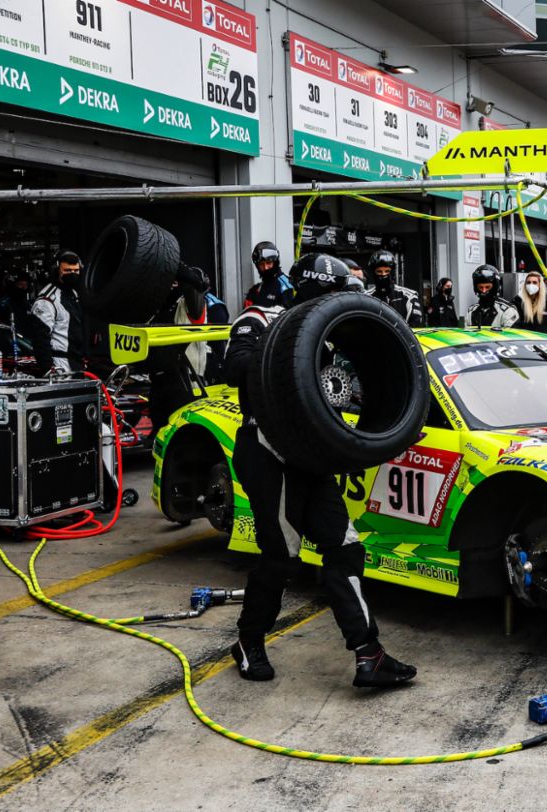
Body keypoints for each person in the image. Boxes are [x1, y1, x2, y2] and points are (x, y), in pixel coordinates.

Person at [223, 253, 415, 688]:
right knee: (280, 557)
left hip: (311, 457)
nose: (336, 301)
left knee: (345, 549)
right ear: (311, 288)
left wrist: (392, 423)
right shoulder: (257, 319)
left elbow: (345, 391)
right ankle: (248, 641)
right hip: (266, 451)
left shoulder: (330, 334)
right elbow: (232, 367)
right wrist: (282, 347)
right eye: (330, 293)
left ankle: (370, 654)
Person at [145, 264, 210, 439]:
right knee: (161, 439)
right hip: (159, 383)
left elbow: (194, 284)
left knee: (185, 438)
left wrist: (169, 261)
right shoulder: (157, 307)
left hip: (186, 384)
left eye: (174, 280)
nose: (171, 283)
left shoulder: (192, 305)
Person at [26, 251, 86, 374]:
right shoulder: (47, 300)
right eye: (67, 270)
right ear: (56, 271)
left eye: (76, 270)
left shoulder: (73, 294)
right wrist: (49, 369)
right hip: (59, 365)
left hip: (77, 363)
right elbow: (40, 340)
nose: (72, 274)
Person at [366, 250, 422, 326]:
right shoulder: (366, 297)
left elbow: (415, 325)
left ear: (392, 272)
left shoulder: (409, 296)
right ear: (373, 273)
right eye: (379, 271)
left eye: (387, 271)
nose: (383, 274)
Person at [243, 241, 295, 309]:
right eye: (261, 264)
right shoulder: (255, 290)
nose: (265, 267)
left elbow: (291, 315)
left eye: (268, 263)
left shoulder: (286, 286)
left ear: (275, 262)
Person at [466, 264, 518, 328]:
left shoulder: (508, 311)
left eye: (487, 287)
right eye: (480, 287)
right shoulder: (471, 311)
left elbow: (512, 336)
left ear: (495, 287)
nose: (484, 291)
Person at [514, 268, 547, 332]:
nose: (531, 285)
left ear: (540, 285)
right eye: (528, 282)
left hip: (543, 340)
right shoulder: (518, 302)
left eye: (534, 282)